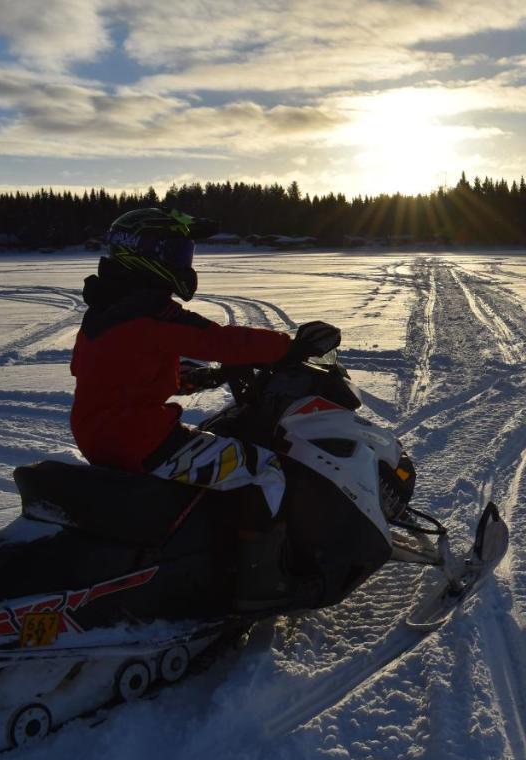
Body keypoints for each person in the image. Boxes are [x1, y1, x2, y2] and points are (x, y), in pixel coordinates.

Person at [69, 208, 339, 607]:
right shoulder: (150, 310)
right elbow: (220, 341)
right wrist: (290, 346)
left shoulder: (108, 307)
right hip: (141, 439)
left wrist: (192, 378)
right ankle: (261, 586)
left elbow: (118, 367)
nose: (184, 263)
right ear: (147, 254)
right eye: (176, 253)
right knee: (266, 470)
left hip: (99, 432)